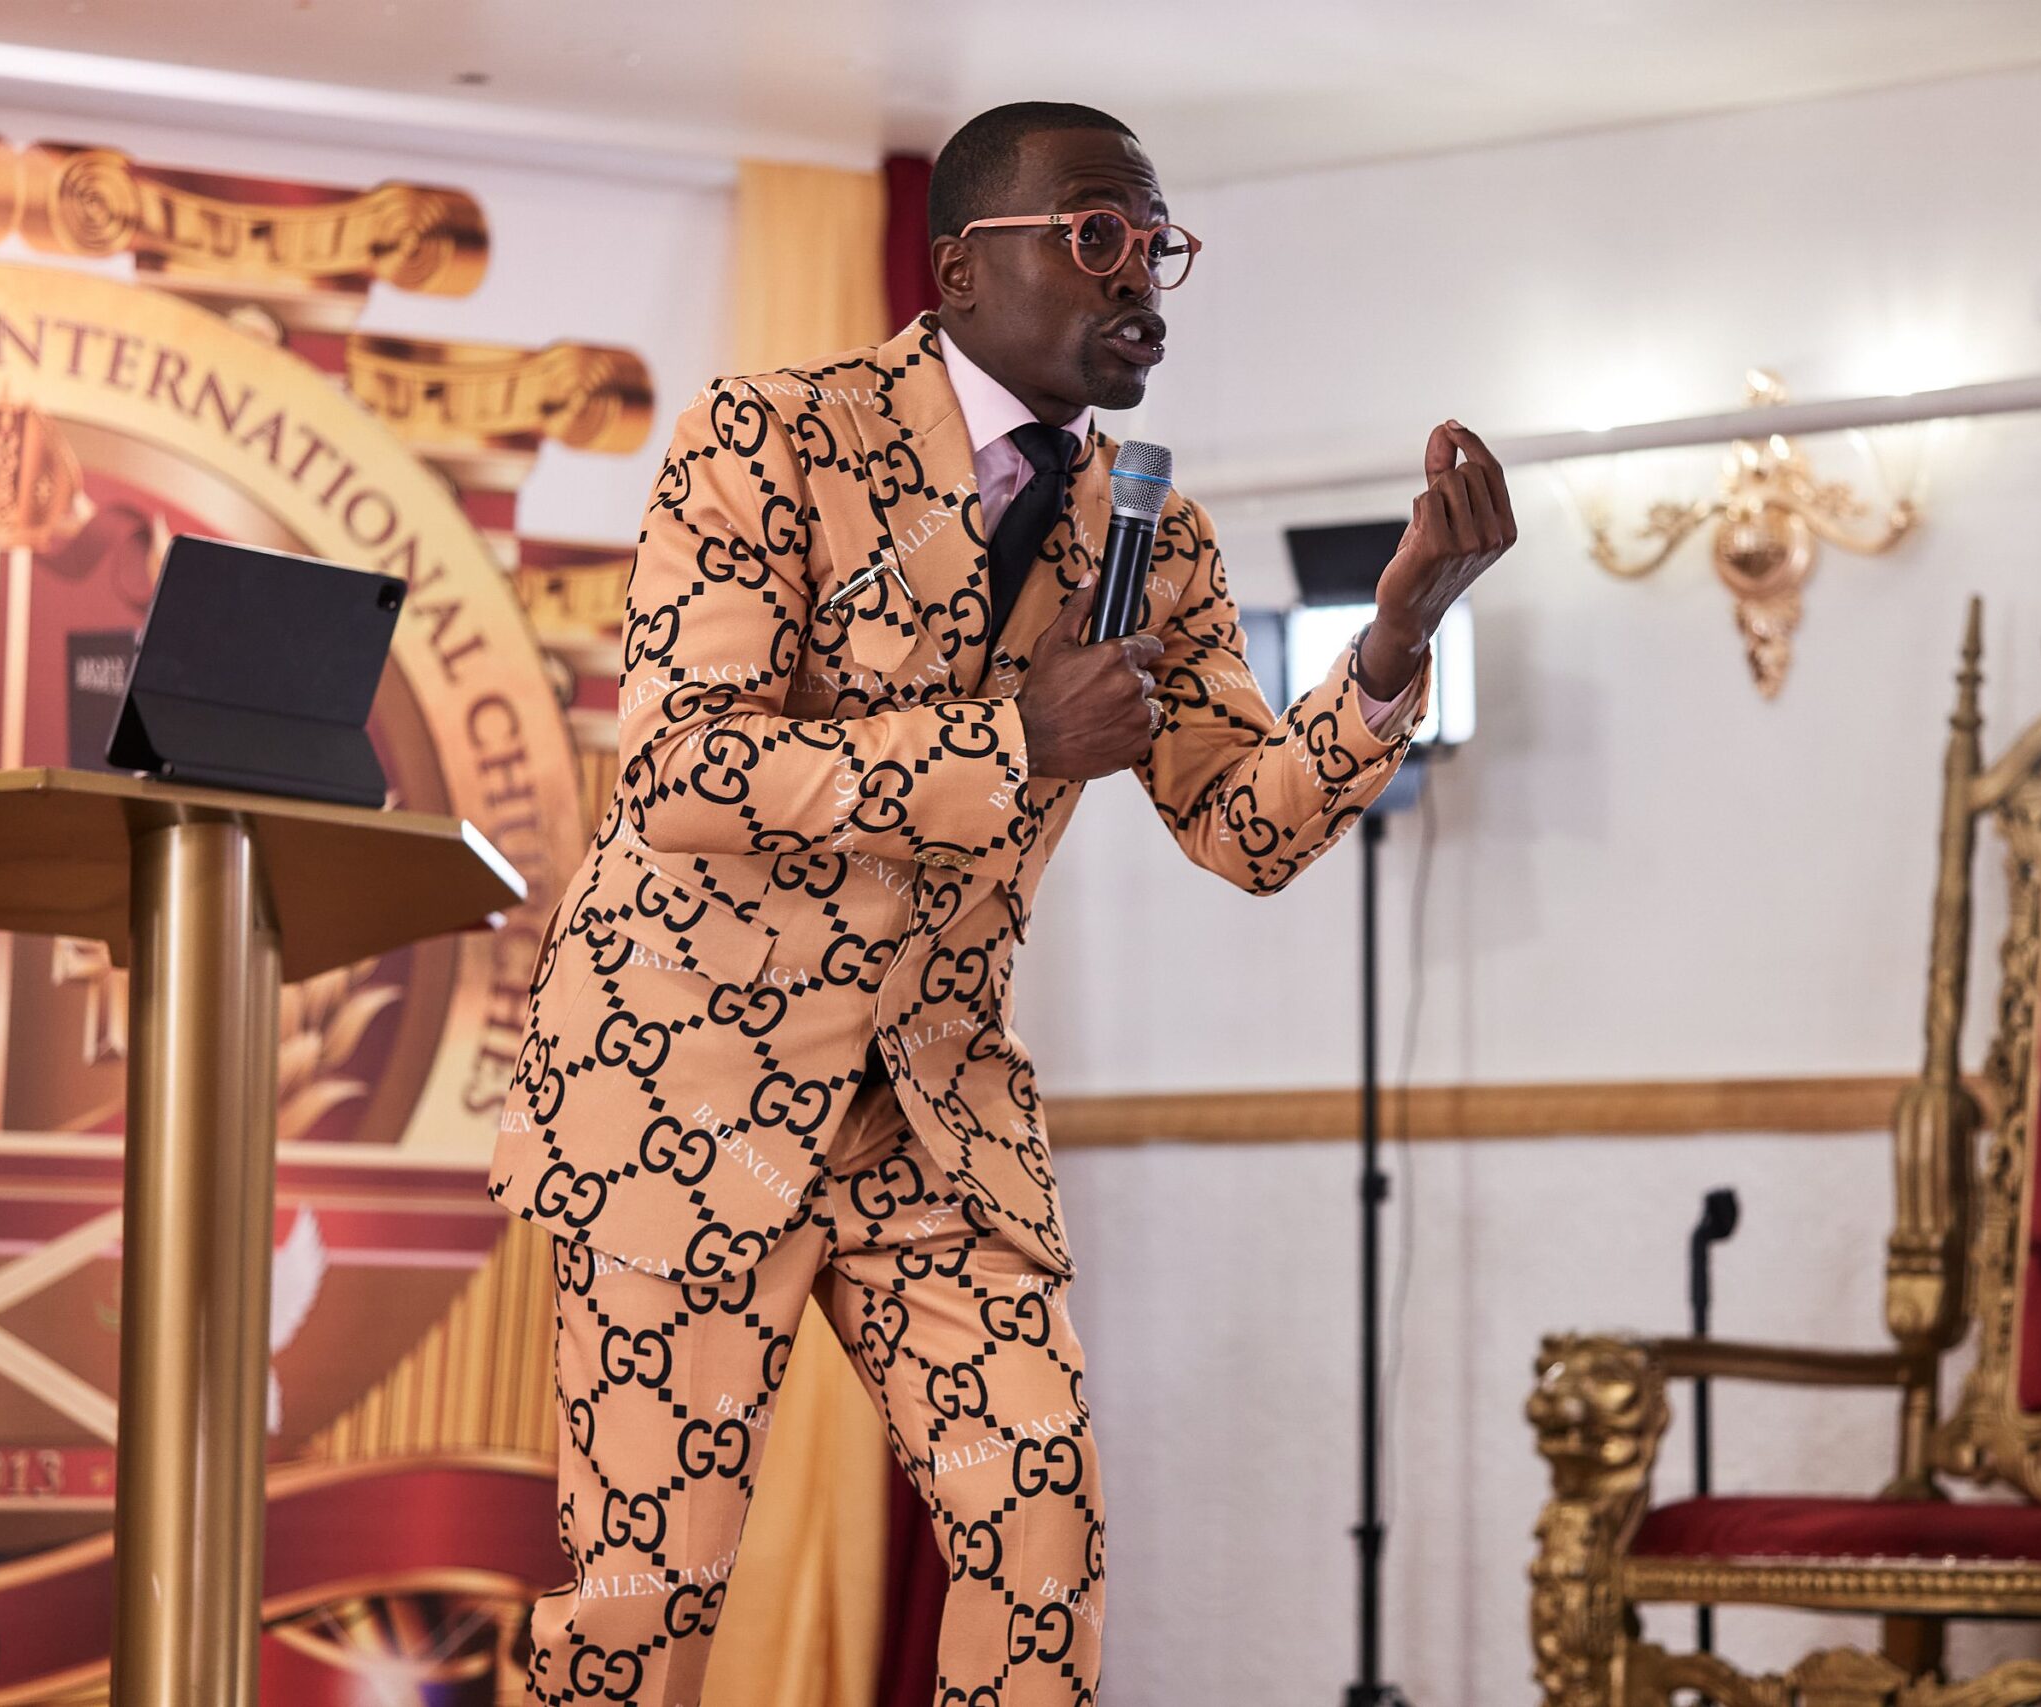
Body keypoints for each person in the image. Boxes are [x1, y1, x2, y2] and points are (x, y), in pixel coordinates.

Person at [491, 99, 1515, 1707]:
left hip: (930, 1116)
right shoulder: (772, 437)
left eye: (1159, 245)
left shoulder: (1155, 537)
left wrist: (1392, 643)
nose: (1142, 280)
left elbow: (1244, 827)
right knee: (643, 1602)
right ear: (962, 268)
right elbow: (685, 768)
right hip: (681, 1093)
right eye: (1098, 235)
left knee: (1042, 1539)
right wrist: (1010, 743)